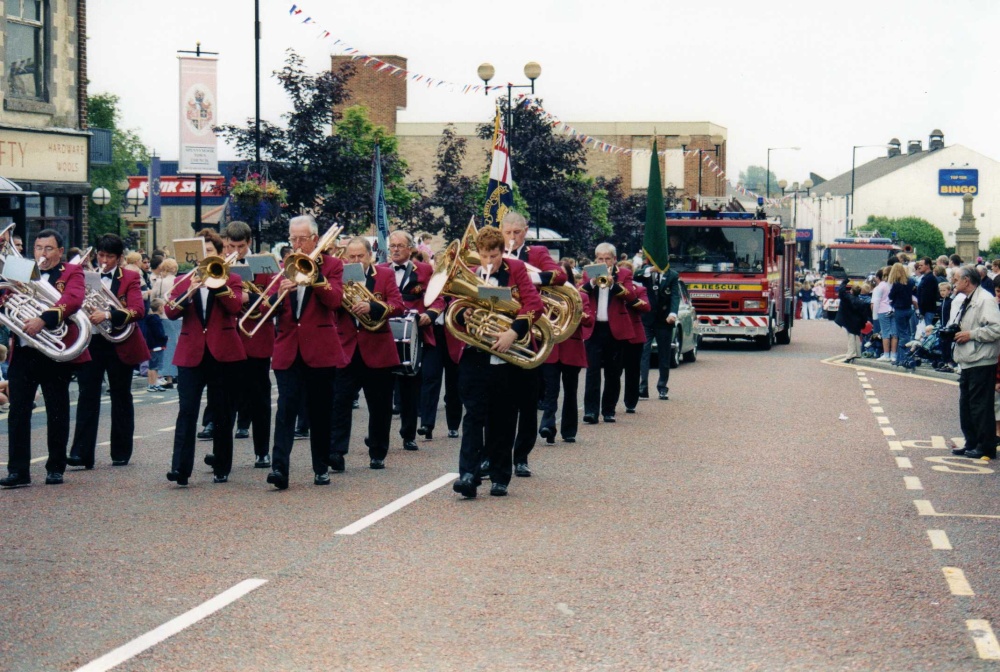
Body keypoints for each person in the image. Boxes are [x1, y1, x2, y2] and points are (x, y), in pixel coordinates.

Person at [451, 225, 544, 499]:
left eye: (494, 255)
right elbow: (454, 309)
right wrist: (465, 313)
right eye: (484, 255)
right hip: (476, 355)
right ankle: (467, 474)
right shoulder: (471, 274)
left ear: (502, 252)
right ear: (478, 254)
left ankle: (501, 476)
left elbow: (534, 305)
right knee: (473, 417)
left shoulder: (515, 271)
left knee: (503, 418)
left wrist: (512, 332)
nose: (489, 261)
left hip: (507, 356)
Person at [2, 229, 90, 488]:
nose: (43, 254)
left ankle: (55, 467)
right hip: (24, 351)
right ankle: (18, 471)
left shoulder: (71, 271)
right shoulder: (22, 268)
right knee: (17, 412)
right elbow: (3, 295)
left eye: (49, 249)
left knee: (57, 410)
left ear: (60, 252)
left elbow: (73, 300)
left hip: (54, 351)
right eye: (39, 248)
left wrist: (43, 320)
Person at [267, 215, 345, 490]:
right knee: (286, 408)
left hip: (320, 348)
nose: (297, 244)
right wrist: (278, 296)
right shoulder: (286, 265)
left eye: (301, 239)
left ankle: (320, 466)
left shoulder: (333, 265)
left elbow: (335, 300)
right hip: (288, 347)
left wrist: (314, 277)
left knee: (320, 410)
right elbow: (270, 310)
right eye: (292, 238)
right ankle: (279, 469)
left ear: (315, 239)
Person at [164, 228, 246, 486]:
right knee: (187, 411)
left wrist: (217, 284)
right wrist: (188, 290)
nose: (204, 257)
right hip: (191, 354)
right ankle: (180, 469)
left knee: (222, 412)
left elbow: (234, 307)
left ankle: (221, 466)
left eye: (209, 252)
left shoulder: (231, 278)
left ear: (219, 254)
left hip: (223, 353)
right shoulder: (183, 278)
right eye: (201, 252)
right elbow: (170, 311)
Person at [67, 233, 151, 470]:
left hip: (119, 341)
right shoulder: (85, 276)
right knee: (87, 395)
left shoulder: (131, 277)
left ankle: (121, 452)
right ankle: (81, 453)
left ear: (119, 257)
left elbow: (138, 310)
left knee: (121, 394)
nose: (104, 261)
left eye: (110, 257)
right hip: (92, 340)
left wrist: (107, 314)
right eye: (101, 255)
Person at [499, 211, 567, 477]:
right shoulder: (493, 252)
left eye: (517, 232)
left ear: (525, 231)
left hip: (529, 333)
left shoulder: (535, 253)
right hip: (497, 331)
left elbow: (559, 276)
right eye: (508, 233)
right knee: (497, 399)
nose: (513, 238)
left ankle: (521, 456)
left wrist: (533, 277)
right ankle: (494, 453)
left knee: (527, 400)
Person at [330, 236, 404, 471]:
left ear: (369, 255)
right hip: (347, 348)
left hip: (378, 348)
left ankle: (378, 452)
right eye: (351, 257)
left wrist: (372, 307)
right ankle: (336, 452)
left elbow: (397, 305)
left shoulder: (384, 275)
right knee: (339, 403)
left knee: (380, 406)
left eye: (360, 256)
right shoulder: (339, 276)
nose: (356, 260)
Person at [213, 221, 274, 469]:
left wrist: (250, 297)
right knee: (225, 400)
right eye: (230, 246)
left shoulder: (263, 264)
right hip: (227, 338)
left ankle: (262, 451)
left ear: (248, 243)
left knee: (259, 397)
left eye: (239, 246)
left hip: (254, 336)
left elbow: (274, 296)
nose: (234, 251)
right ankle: (222, 456)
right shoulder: (218, 265)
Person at [379, 230, 443, 447]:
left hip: (414, 333)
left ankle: (409, 434)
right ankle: (379, 435)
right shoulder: (381, 270)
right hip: (384, 332)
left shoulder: (424, 270)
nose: (395, 249)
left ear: (410, 249)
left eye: (399, 245)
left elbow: (438, 298)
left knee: (410, 384)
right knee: (384, 387)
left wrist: (430, 314)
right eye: (392, 245)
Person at [581, 242, 639, 423]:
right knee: (592, 371)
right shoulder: (589, 272)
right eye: (600, 258)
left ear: (614, 259)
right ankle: (591, 411)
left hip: (615, 329)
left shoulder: (624, 274)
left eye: (607, 259)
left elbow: (631, 297)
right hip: (594, 328)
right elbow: (580, 292)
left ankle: (608, 410)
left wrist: (615, 285)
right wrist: (592, 282)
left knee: (613, 373)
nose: (604, 262)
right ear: (595, 259)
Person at [948, 266, 1000, 460]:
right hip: (968, 359)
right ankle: (971, 442)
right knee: (967, 406)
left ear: (966, 281)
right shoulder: (970, 299)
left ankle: (985, 446)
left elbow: (996, 329)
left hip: (981, 359)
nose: (953, 282)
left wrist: (971, 334)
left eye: (956, 279)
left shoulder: (985, 300)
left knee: (980, 406)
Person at [539, 264, 592, 443]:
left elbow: (589, 320)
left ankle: (569, 430)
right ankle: (548, 426)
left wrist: (583, 316)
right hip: (551, 348)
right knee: (550, 390)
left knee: (570, 391)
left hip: (571, 348)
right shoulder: (544, 295)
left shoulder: (580, 296)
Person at [639, 261, 681, 400]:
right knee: (644, 353)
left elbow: (675, 296)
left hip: (664, 320)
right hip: (646, 319)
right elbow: (634, 275)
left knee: (664, 354)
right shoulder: (645, 272)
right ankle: (642, 387)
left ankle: (662, 387)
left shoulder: (672, 275)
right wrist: (650, 269)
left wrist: (673, 313)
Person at [835, 279, 867, 363]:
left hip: (848, 320)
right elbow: (864, 315)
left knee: (851, 338)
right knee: (856, 336)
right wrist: (863, 323)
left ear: (851, 291)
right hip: (857, 322)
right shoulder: (861, 302)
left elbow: (841, 292)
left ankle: (850, 355)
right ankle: (857, 353)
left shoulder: (847, 298)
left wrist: (844, 282)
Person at [887, 263, 916, 352]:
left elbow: (891, 296)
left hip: (899, 309)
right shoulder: (910, 281)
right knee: (907, 331)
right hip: (909, 309)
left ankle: (903, 356)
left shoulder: (896, 284)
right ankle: (907, 354)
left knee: (902, 334)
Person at [871, 268, 896, 362]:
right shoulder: (894, 285)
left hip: (882, 310)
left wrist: (875, 317)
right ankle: (894, 355)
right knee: (894, 333)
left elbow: (876, 302)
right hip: (893, 310)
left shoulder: (879, 287)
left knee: (885, 334)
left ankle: (886, 355)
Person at [144, 299, 168, 392]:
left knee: (154, 366)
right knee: (154, 366)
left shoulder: (151, 319)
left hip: (153, 345)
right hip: (156, 345)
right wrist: (165, 337)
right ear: (160, 307)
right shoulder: (155, 320)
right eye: (163, 306)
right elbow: (159, 333)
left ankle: (154, 383)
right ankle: (152, 384)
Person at [915, 257, 940, 329]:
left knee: (927, 331)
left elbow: (926, 297)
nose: (919, 267)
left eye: (921, 265)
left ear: (928, 265)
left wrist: (922, 311)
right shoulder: (926, 278)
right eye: (919, 265)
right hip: (926, 310)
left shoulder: (930, 279)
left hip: (927, 311)